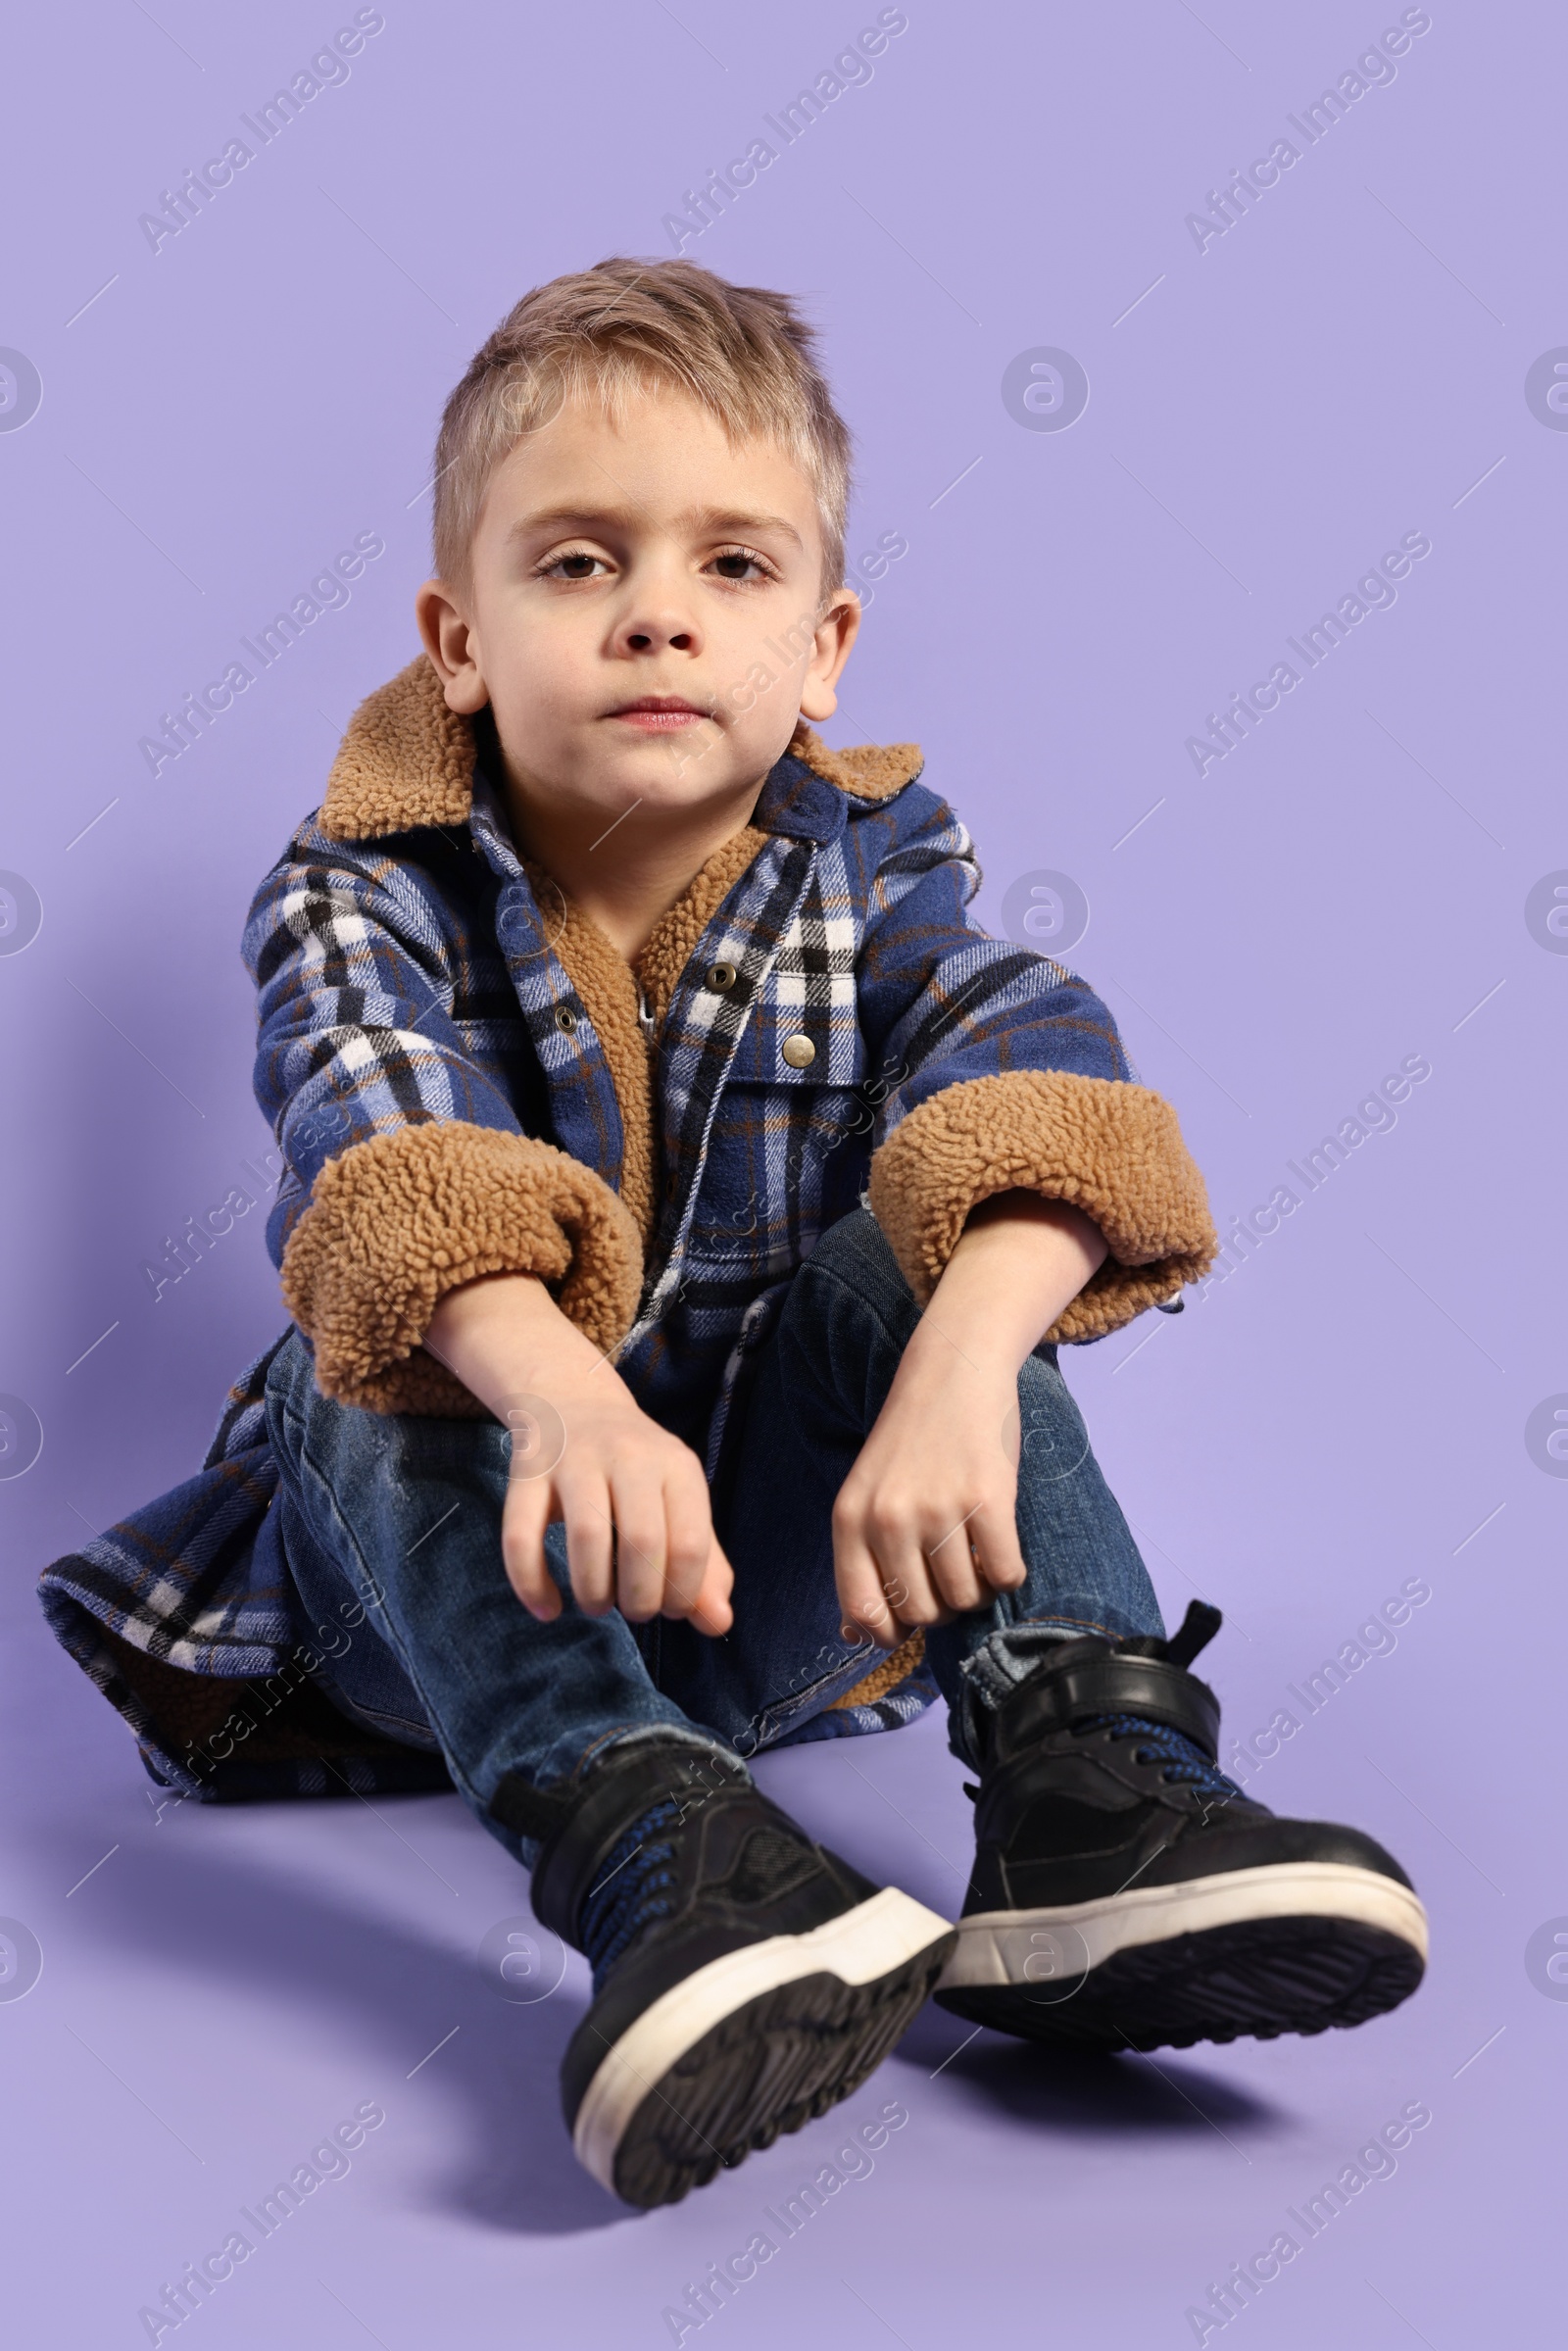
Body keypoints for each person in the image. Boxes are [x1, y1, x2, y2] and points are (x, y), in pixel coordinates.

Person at [40, 259, 1426, 2212]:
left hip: (759, 1598)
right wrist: (563, 1410)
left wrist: (953, 1360)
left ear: (824, 644)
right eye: (580, 563)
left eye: (733, 567)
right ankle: (645, 1845)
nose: (658, 611)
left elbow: (1028, 1068)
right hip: (429, 1609)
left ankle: (1080, 1785)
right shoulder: (359, 887)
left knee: (937, 1234)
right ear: (459, 639)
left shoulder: (878, 866)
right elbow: (387, 1155)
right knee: (357, 1337)